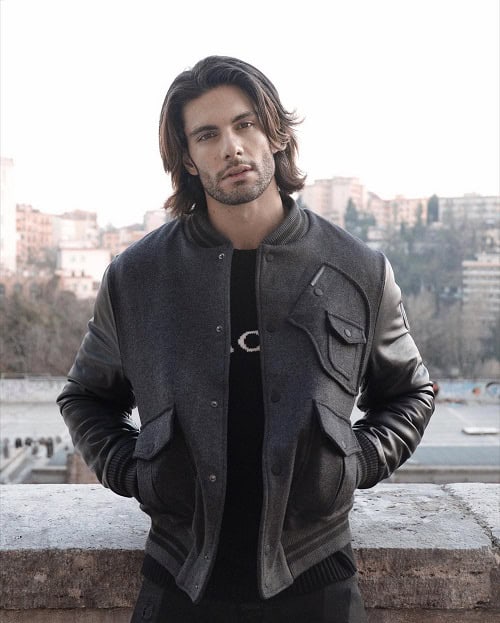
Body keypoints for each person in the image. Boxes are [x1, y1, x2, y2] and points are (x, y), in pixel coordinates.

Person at [57, 55, 435, 623]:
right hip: (177, 584)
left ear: (274, 133)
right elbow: (85, 397)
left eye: (245, 124)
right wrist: (136, 474)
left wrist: (351, 464)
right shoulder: (136, 277)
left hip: (318, 583)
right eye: (207, 135)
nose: (231, 147)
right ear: (187, 157)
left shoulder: (359, 269)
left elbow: (410, 393)